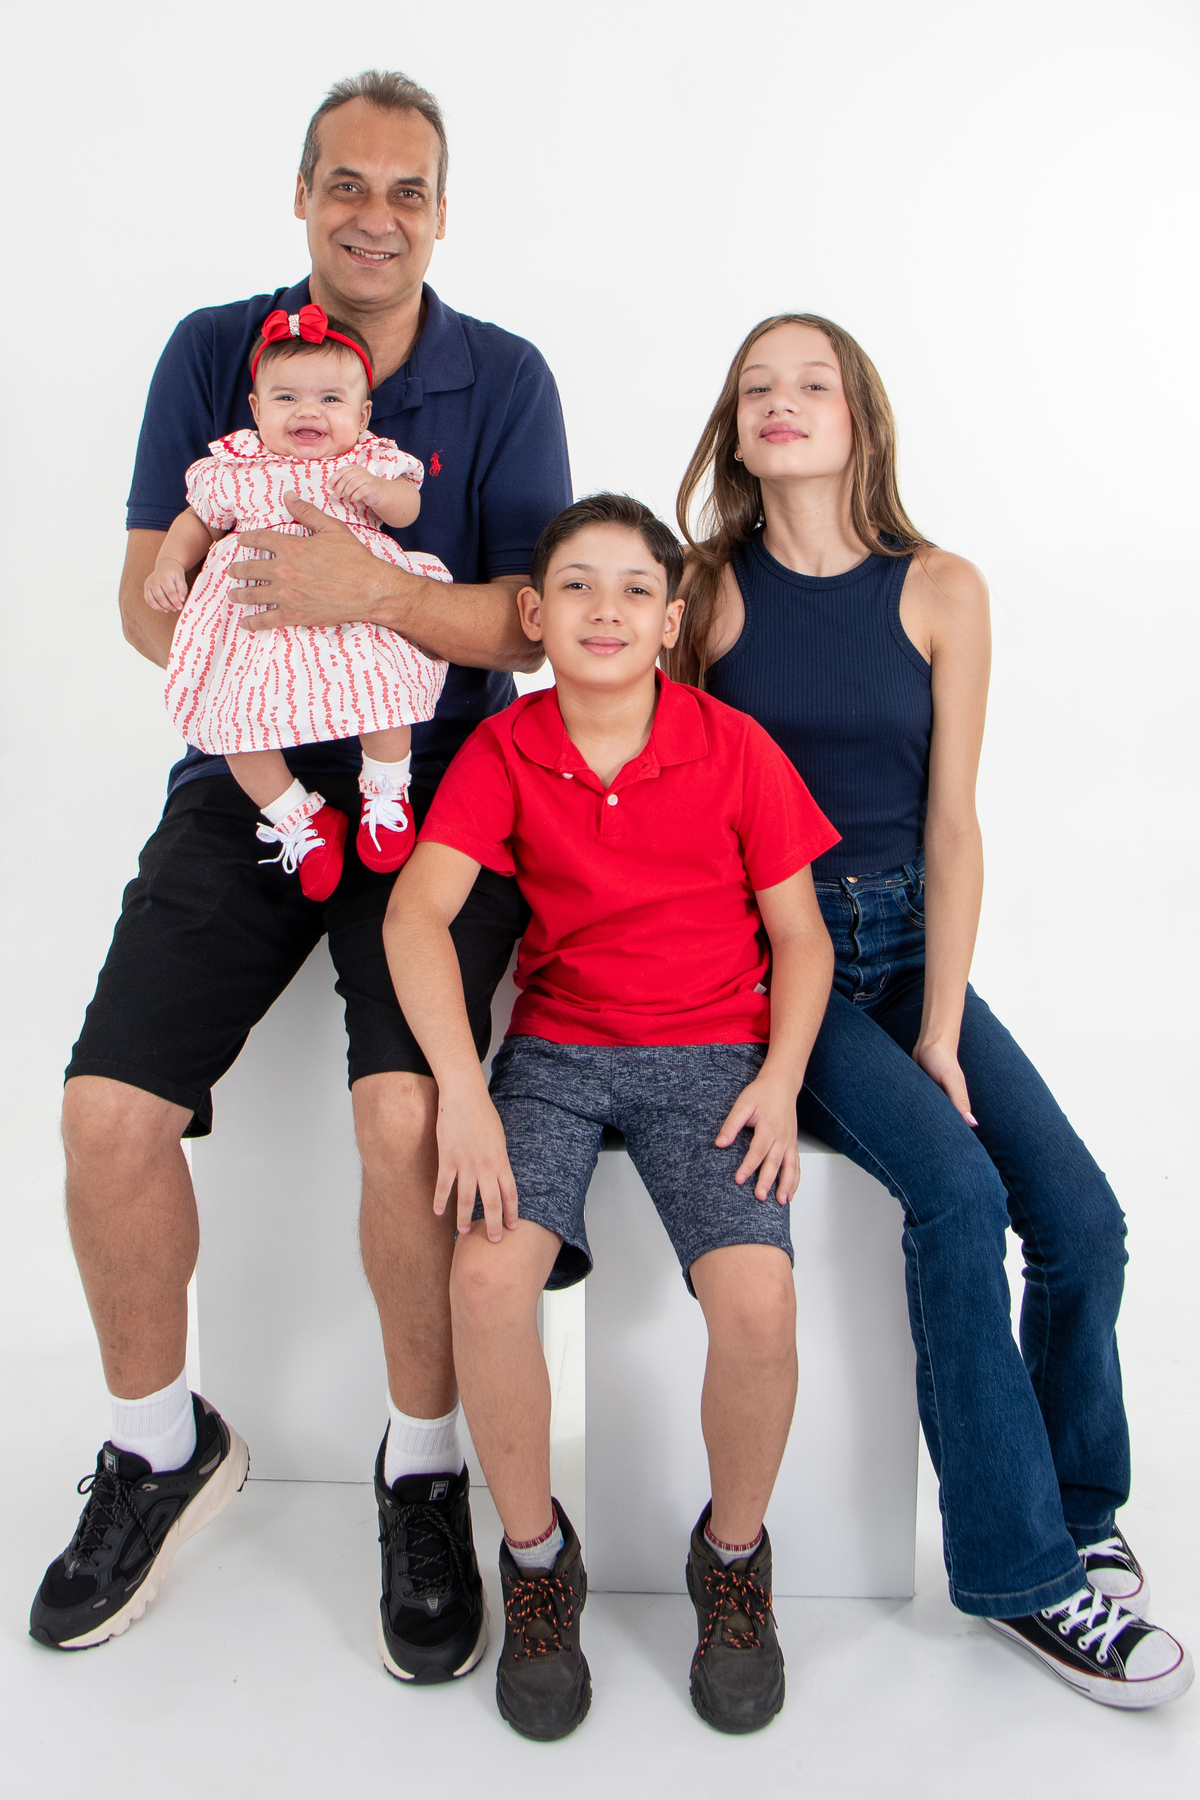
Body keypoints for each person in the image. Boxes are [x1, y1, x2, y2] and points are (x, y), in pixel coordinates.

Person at [31, 71, 572, 1684]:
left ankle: (424, 1467)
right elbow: (144, 594)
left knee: (404, 1118)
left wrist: (366, 596)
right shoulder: (217, 352)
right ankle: (157, 1444)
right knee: (104, 1117)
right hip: (249, 776)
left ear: (443, 214)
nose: (374, 215)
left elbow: (533, 621)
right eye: (347, 182)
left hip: (438, 786)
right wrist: (249, 643)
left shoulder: (504, 378)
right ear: (301, 196)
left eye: (407, 190)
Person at [666, 312, 1194, 1710]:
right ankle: (1022, 1577)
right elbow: (672, 798)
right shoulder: (703, 594)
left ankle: (1078, 1501)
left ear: (862, 418)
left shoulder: (943, 588)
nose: (782, 401)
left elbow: (954, 827)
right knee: (957, 1196)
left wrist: (943, 1028)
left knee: (1081, 1219)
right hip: (781, 958)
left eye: (812, 382)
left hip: (909, 943)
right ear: (734, 431)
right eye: (756, 387)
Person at [384, 493, 839, 1738]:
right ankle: (537, 1565)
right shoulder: (505, 749)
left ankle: (732, 1561)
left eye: (636, 589)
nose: (606, 609)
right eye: (577, 586)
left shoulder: (734, 745)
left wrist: (780, 1077)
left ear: (672, 620)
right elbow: (415, 916)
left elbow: (801, 938)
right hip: (560, 1052)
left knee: (760, 1301)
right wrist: (464, 1088)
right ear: (534, 615)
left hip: (712, 1053)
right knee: (487, 1279)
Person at [146, 304, 452, 895]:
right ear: (257, 408)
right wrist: (168, 563)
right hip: (254, 618)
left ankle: (387, 789)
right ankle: (298, 818)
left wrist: (379, 492)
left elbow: (408, 508)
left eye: (330, 399)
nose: (308, 411)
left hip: (356, 609)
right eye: (286, 398)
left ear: (363, 414)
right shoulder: (236, 466)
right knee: (232, 722)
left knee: (383, 690)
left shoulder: (366, 459)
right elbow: (196, 521)